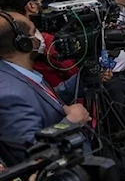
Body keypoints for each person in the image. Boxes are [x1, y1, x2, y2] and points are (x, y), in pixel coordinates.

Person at [0, 12, 92, 165]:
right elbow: (34, 155)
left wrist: (85, 78)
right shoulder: (9, 95)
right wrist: (71, 122)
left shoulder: (18, 72)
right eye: (33, 31)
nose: (39, 36)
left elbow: (48, 100)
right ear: (23, 43)